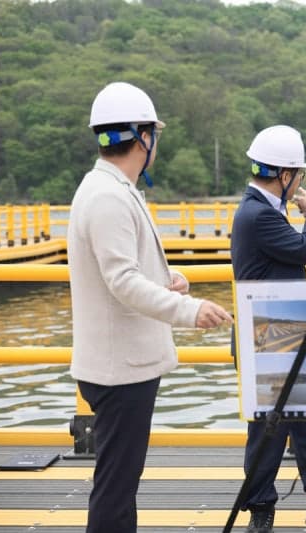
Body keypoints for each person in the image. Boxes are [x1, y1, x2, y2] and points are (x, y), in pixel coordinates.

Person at [68, 81, 233, 533]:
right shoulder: (107, 196)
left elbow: (119, 274)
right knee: (117, 486)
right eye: (154, 133)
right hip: (120, 368)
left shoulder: (109, 188)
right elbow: (121, 282)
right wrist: (189, 310)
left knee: (120, 481)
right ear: (143, 137)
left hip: (119, 362)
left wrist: (165, 283)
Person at [230, 125, 306, 533]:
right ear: (284, 175)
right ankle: (266, 508)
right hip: (269, 333)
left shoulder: (260, 210)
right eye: (299, 175)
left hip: (286, 329)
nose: (300, 183)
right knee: (270, 428)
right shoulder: (258, 213)